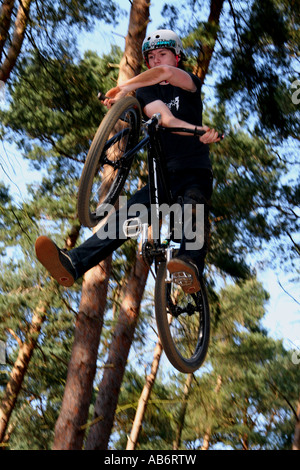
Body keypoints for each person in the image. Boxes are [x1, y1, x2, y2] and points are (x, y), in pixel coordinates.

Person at [35, 29, 220, 294]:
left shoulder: (188, 82)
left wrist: (124, 86)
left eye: (163, 54)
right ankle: (73, 264)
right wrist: (123, 100)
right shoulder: (146, 92)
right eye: (151, 58)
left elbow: (165, 76)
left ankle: (188, 265)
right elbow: (164, 119)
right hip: (161, 179)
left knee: (193, 207)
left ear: (177, 57)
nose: (157, 62)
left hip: (193, 171)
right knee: (122, 221)